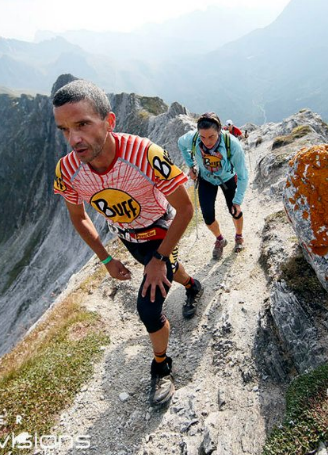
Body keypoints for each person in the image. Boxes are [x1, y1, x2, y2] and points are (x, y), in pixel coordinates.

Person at [52, 79, 203, 406]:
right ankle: (192, 285)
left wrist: (160, 258)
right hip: (130, 239)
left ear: (109, 122)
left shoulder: (144, 153)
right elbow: (78, 217)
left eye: (82, 125)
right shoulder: (67, 170)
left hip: (161, 231)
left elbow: (186, 207)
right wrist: (106, 259)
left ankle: (161, 367)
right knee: (168, 277)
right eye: (64, 129)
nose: (74, 139)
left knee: (148, 306)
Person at [178, 112, 249, 258]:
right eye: (203, 137)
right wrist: (191, 166)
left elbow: (243, 176)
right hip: (206, 178)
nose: (207, 142)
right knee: (208, 217)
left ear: (219, 131)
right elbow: (180, 142)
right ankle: (220, 239)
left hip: (227, 178)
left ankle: (239, 236)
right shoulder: (193, 139)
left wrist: (237, 200)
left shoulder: (232, 145)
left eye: (211, 136)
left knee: (235, 210)